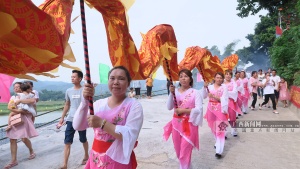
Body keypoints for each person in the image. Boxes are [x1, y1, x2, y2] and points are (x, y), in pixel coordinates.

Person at [73, 66, 143, 169]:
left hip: (118, 161)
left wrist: (102, 123)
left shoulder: (134, 106)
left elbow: (129, 135)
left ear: (128, 83)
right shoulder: (99, 104)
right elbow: (78, 125)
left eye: (121, 78)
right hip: (96, 158)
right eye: (112, 78)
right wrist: (84, 101)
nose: (116, 82)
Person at [163, 69, 203, 169]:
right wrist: (171, 93)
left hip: (189, 126)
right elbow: (169, 107)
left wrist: (184, 111)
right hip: (176, 125)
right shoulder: (175, 92)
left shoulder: (195, 92)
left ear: (190, 79)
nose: (183, 78)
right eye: (181, 76)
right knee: (178, 152)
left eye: (186, 76)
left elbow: (199, 109)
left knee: (184, 153)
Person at [58, 70, 89, 169]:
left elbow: (90, 95)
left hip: (81, 119)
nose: (72, 78)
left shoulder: (84, 89)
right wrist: (62, 117)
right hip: (70, 119)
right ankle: (65, 164)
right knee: (67, 141)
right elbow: (67, 104)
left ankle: (86, 155)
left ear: (80, 78)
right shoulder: (68, 91)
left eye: (74, 77)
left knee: (83, 139)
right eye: (71, 77)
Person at [5, 82, 38, 169]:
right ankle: (14, 160)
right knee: (12, 139)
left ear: (22, 88)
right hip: (16, 118)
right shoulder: (13, 97)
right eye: (14, 87)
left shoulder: (28, 96)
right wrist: (18, 111)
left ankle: (31, 151)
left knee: (24, 138)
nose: (16, 88)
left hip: (24, 119)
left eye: (18, 87)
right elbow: (10, 107)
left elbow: (33, 102)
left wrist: (19, 104)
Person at [203, 72, 229, 158]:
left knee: (220, 130)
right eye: (217, 77)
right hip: (210, 110)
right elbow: (204, 96)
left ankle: (219, 151)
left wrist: (214, 96)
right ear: (214, 78)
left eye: (221, 78)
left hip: (221, 110)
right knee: (213, 129)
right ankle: (218, 142)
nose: (219, 79)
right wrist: (204, 87)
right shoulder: (209, 87)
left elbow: (225, 99)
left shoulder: (224, 87)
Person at [223, 70, 239, 136]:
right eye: (226, 74)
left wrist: (226, 93)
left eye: (229, 74)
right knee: (223, 117)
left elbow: (234, 93)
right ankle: (224, 133)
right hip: (223, 102)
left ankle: (234, 129)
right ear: (224, 75)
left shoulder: (233, 83)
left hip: (231, 102)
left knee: (232, 117)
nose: (228, 75)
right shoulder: (221, 83)